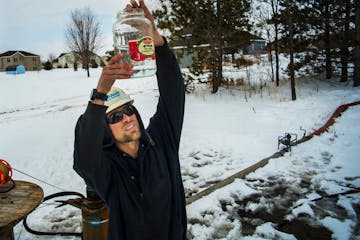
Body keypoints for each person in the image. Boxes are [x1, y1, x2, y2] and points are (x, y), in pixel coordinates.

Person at [73, 0, 187, 239]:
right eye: (115, 116)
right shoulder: (108, 172)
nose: (126, 118)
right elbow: (84, 157)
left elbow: (173, 93)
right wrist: (101, 92)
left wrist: (155, 38)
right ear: (105, 129)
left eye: (128, 111)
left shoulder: (162, 142)